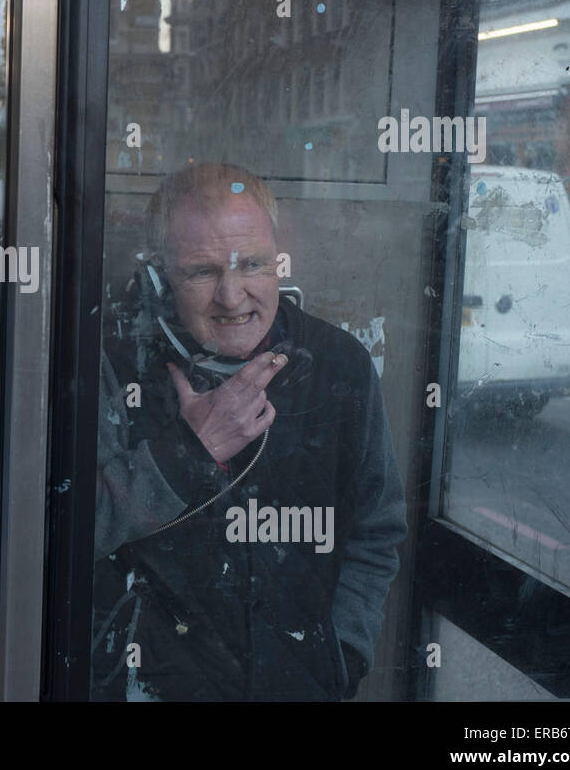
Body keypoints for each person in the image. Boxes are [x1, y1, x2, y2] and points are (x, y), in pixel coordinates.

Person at [92, 162, 406, 701]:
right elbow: (65, 532)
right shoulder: (114, 365)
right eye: (201, 272)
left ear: (279, 262)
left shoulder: (337, 365)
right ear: (159, 277)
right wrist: (190, 454)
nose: (233, 297)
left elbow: (375, 528)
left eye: (253, 265)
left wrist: (343, 653)